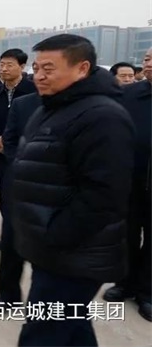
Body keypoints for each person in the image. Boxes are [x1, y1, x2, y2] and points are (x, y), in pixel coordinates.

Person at [11, 35, 134, 346]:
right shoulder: (53, 107)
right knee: (74, 330)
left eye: (49, 69)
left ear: (82, 68)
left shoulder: (102, 116)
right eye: (36, 68)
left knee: (41, 335)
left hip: (73, 256)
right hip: (51, 250)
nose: (39, 76)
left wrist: (55, 236)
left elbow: (103, 195)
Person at [103, 47, 152, 322]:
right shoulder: (129, 95)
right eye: (146, 59)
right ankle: (125, 283)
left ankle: (147, 292)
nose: (148, 63)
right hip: (129, 180)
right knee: (126, 236)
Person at [0, 49, 36, 250]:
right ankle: (9, 237)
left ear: (22, 67)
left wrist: (10, 138)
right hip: (2, 153)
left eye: (9, 65)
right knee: (5, 199)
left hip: (26, 154)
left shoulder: (33, 92)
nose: (4, 69)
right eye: (2, 64)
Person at [0, 91, 41, 304]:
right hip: (19, 184)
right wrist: (21, 165)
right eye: (37, 73)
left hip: (59, 192)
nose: (41, 76)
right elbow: (10, 139)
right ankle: (8, 294)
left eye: (49, 72)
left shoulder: (85, 108)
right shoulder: (22, 104)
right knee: (11, 242)